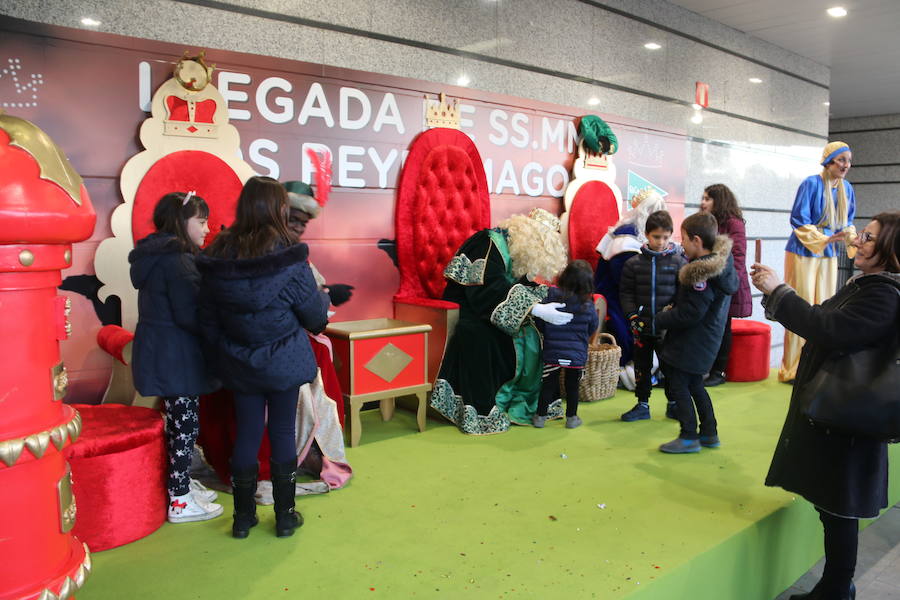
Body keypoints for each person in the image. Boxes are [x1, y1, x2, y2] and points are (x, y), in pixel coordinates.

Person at [751, 212, 900, 600]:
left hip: (851, 415)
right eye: (862, 234)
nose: (857, 240)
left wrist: (779, 291)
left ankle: (836, 589)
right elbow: (823, 320)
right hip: (841, 412)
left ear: (890, 249)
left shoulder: (883, 292)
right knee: (832, 505)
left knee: (840, 507)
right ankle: (836, 586)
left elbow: (828, 329)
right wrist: (778, 294)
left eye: (868, 238)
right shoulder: (867, 284)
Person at [197, 176, 329, 538]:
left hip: (238, 361)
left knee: (247, 433)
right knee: (283, 430)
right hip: (283, 359)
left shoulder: (217, 256)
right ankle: (285, 516)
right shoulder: (290, 257)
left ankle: (243, 519)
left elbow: (206, 318)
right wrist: (324, 298)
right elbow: (315, 317)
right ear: (279, 209)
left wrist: (228, 347)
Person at [431, 208, 571, 435]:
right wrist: (534, 307)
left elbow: (521, 283)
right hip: (470, 308)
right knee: (482, 337)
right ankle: (483, 412)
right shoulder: (488, 243)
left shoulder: (516, 250)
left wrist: (550, 299)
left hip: (492, 308)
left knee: (535, 332)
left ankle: (524, 403)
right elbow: (488, 288)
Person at [129, 191, 223, 523]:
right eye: (201, 221)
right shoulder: (178, 260)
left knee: (178, 422)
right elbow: (191, 314)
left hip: (163, 350)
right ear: (182, 222)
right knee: (184, 424)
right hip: (177, 354)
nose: (207, 229)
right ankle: (180, 498)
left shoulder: (155, 255)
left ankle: (179, 485)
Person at [651, 212, 737, 453]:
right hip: (706, 341)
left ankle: (688, 435)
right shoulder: (721, 267)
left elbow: (690, 313)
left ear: (697, 241)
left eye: (684, 239)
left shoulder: (701, 275)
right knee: (696, 386)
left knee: (679, 386)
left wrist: (659, 319)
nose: (681, 243)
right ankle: (709, 432)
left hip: (691, 343)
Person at [780, 142, 857, 383]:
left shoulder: (847, 189)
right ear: (829, 161)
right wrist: (825, 238)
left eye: (848, 160)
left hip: (829, 252)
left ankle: (813, 366)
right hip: (804, 250)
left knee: (824, 308)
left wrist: (854, 238)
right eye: (841, 160)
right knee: (798, 305)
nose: (846, 165)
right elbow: (799, 220)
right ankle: (791, 369)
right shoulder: (811, 183)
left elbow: (848, 223)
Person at [618, 210, 686, 421]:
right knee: (642, 366)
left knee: (670, 366)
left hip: (668, 328)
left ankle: (673, 403)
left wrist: (674, 312)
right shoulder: (633, 264)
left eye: (666, 237)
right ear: (647, 235)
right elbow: (626, 293)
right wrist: (632, 316)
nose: (661, 242)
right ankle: (642, 404)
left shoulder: (678, 263)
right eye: (657, 237)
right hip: (642, 326)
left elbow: (682, 293)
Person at [594, 188, 667, 374]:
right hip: (616, 295)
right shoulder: (626, 237)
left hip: (634, 294)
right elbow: (624, 280)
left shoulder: (639, 234)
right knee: (630, 326)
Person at [532, 260, 599, 430]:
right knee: (572, 387)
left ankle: (540, 417)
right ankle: (572, 418)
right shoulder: (588, 305)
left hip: (552, 351)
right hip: (575, 355)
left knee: (548, 384)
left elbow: (541, 320)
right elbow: (593, 326)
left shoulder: (551, 295)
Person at [700, 184, 751, 386]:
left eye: (707, 199)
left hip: (725, 284)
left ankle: (719, 371)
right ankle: (708, 368)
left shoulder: (733, 223)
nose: (703, 203)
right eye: (703, 198)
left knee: (723, 327)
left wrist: (728, 283)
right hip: (710, 282)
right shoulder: (708, 222)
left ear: (718, 201)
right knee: (712, 326)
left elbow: (737, 256)